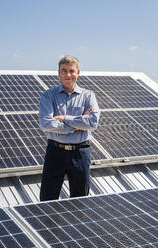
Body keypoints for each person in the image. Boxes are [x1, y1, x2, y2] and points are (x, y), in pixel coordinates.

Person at [38, 55, 100, 201]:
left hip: (80, 153)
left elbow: (92, 122)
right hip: (55, 152)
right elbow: (46, 123)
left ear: (78, 73)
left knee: (80, 198)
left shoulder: (88, 96)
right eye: (64, 71)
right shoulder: (48, 96)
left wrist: (65, 118)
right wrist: (77, 126)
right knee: (48, 197)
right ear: (59, 73)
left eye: (72, 71)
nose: (68, 75)